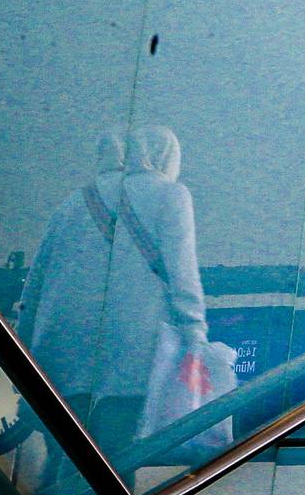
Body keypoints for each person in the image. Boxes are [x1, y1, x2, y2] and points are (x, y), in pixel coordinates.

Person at [17, 125, 209, 453]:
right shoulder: (171, 195)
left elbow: (33, 291)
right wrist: (195, 337)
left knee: (65, 459)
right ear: (167, 155)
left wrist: (24, 354)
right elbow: (182, 275)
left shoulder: (71, 204)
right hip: (129, 352)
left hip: (58, 351)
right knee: (113, 462)